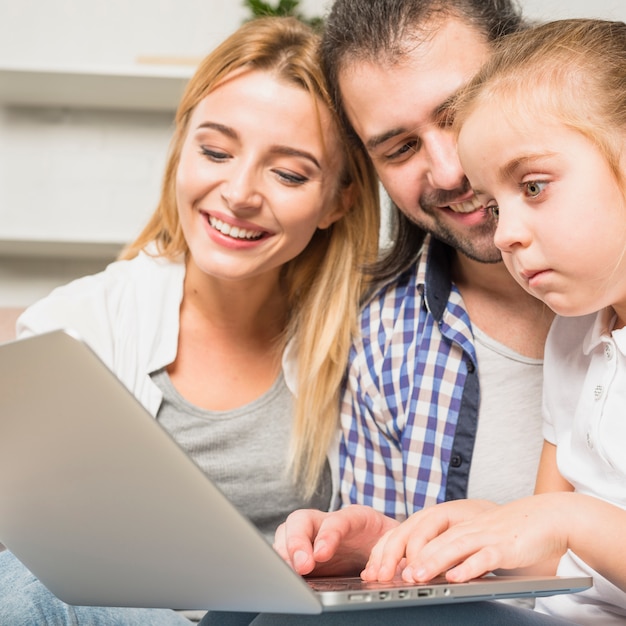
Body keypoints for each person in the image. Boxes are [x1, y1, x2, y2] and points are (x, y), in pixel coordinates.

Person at [0, 16, 380, 626]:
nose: (239, 193)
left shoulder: (372, 340)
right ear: (182, 149)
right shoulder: (74, 326)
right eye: (215, 151)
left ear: (338, 200)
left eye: (288, 173)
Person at [202, 1, 572, 625]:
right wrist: (377, 551)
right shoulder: (385, 333)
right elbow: (407, 601)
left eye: (460, 114)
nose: (451, 171)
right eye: (400, 148)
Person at [361, 17, 626, 625]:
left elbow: (561, 525)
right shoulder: (574, 335)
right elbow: (546, 565)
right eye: (494, 203)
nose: (504, 233)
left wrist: (567, 521)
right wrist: (453, 538)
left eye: (533, 187)